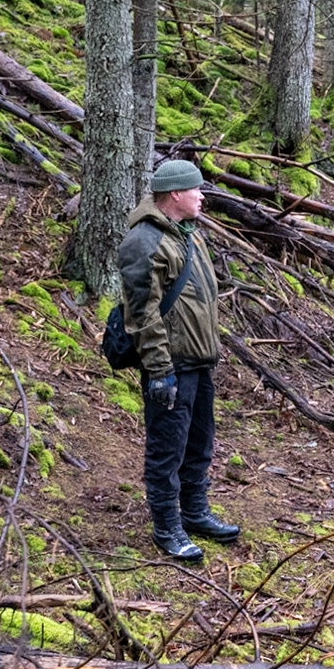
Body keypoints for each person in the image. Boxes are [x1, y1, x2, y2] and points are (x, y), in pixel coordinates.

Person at [117, 159, 239, 560]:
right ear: (175, 194)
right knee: (167, 448)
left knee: (199, 444)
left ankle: (195, 513)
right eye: (196, 189)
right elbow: (142, 314)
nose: (202, 196)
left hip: (199, 362)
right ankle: (167, 527)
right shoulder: (144, 242)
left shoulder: (189, 236)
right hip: (169, 367)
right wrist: (158, 371)